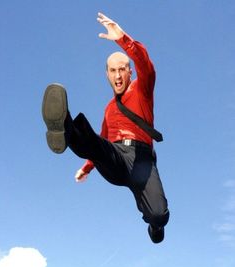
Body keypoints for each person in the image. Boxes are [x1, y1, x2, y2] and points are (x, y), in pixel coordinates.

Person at [42, 12, 169, 243]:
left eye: (122, 69)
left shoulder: (142, 89)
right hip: (115, 157)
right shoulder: (109, 108)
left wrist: (122, 38)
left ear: (130, 72)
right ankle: (64, 125)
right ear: (107, 75)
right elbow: (100, 140)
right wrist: (87, 168)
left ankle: (155, 226)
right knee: (95, 143)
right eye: (113, 71)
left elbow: (146, 65)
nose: (118, 75)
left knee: (159, 215)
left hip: (142, 160)